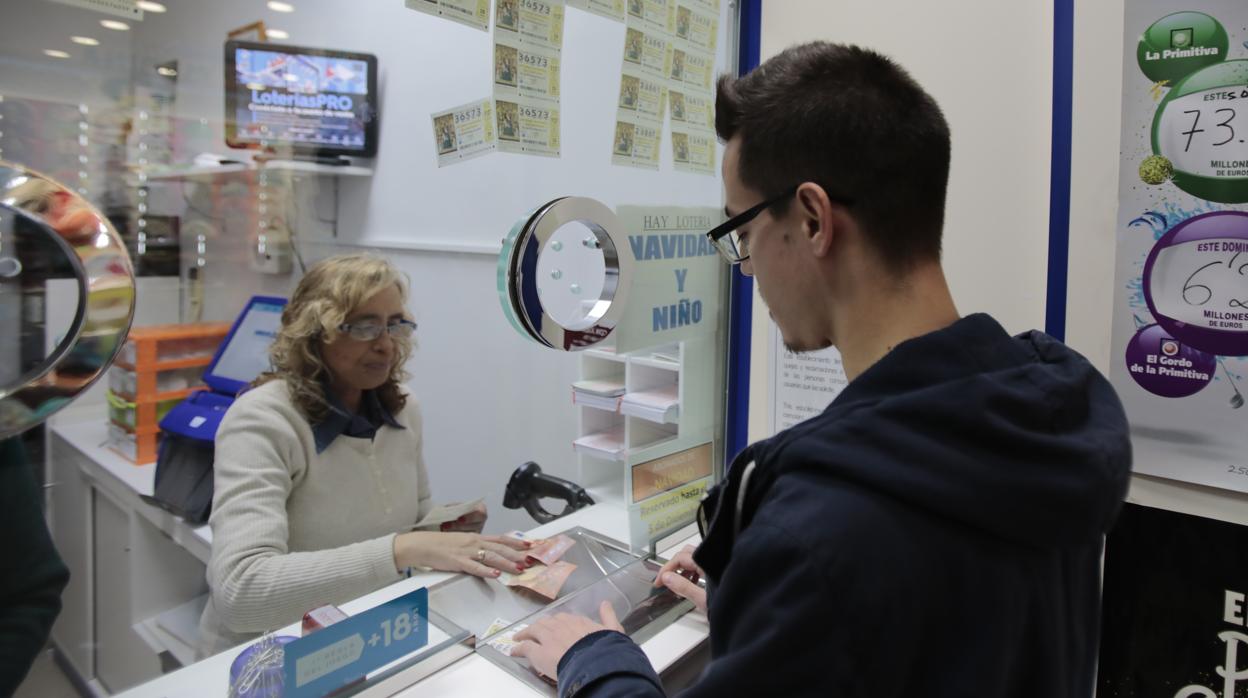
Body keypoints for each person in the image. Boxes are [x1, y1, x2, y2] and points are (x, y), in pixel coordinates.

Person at [511, 42, 1132, 697]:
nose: (746, 267)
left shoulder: (825, 532)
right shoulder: (1041, 429)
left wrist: (596, 660)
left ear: (812, 220)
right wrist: (766, 612)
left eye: (742, 233)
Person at [199, 254, 531, 656]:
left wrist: (440, 529)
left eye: (394, 324)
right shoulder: (263, 420)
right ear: (314, 334)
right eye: (363, 326)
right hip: (265, 657)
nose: (386, 344)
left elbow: (407, 523)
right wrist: (403, 549)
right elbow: (240, 592)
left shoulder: (402, 409)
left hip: (360, 636)